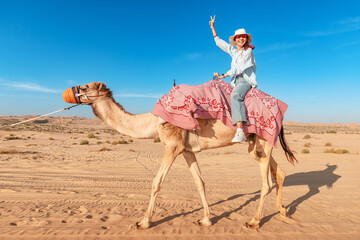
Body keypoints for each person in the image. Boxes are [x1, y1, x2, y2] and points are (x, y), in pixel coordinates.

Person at [209, 15, 257, 143]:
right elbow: (220, 43)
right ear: (235, 40)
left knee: (235, 96)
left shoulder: (248, 52)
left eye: (243, 36)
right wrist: (213, 27)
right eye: (238, 37)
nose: (241, 38)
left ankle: (240, 131)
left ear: (246, 39)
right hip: (236, 81)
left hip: (245, 80)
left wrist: (224, 75)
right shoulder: (234, 51)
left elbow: (239, 68)